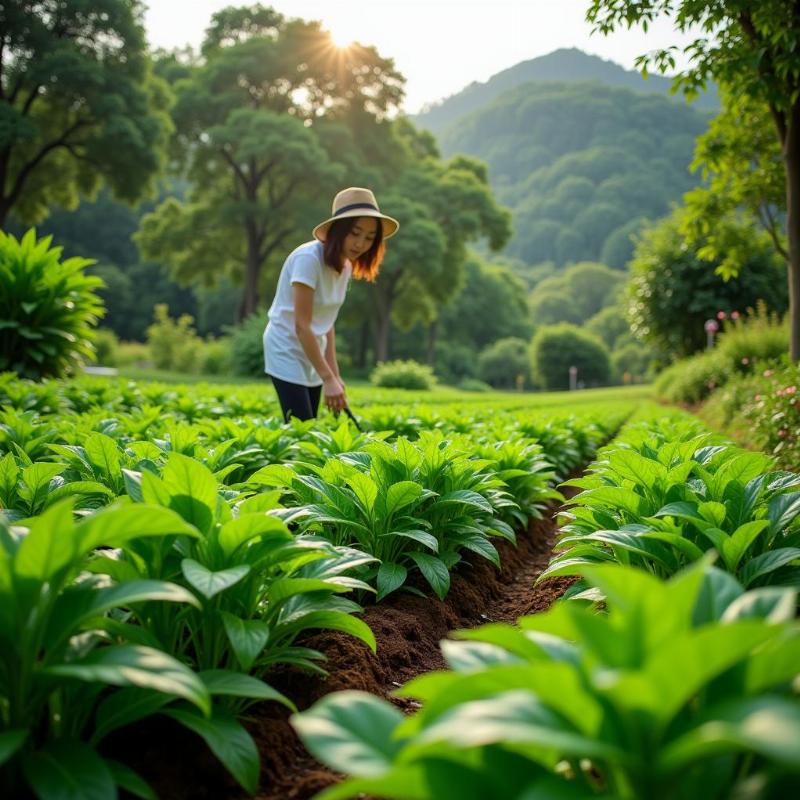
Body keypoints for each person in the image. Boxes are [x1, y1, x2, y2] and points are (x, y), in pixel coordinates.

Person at [263, 187, 399, 422]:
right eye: (355, 233)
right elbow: (302, 326)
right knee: (301, 426)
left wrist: (335, 376)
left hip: (314, 351)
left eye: (368, 238)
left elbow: (327, 325)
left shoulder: (345, 266)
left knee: (310, 426)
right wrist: (328, 378)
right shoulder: (308, 259)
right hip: (286, 347)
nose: (360, 244)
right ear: (338, 230)